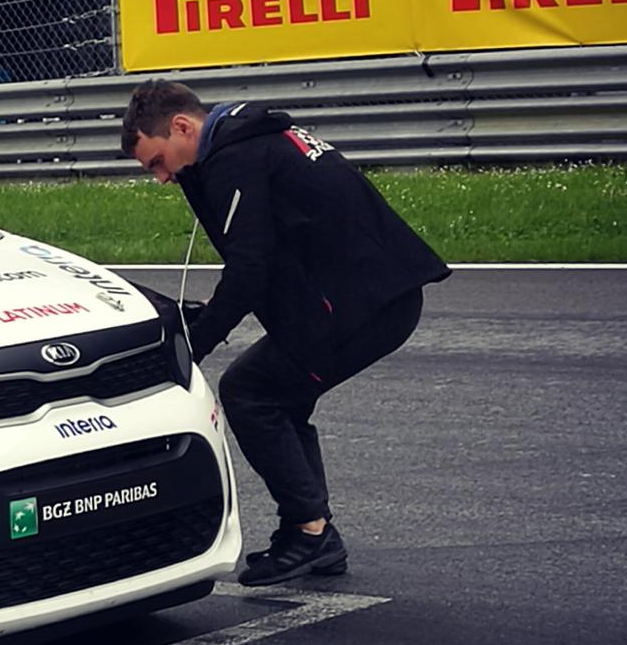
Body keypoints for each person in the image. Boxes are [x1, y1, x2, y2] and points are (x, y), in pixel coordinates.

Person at [120, 79, 449, 586]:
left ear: (182, 126)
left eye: (158, 162)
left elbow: (250, 270)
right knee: (281, 396)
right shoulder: (253, 137)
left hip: (368, 303)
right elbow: (271, 253)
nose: (162, 178)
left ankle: (311, 532)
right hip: (372, 292)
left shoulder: (236, 159)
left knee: (250, 392)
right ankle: (310, 530)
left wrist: (192, 347)